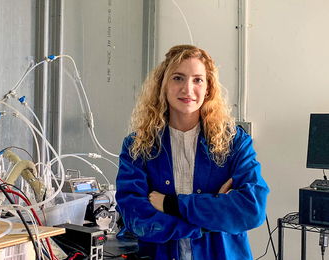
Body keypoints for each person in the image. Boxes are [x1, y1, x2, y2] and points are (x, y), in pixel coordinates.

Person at [115, 45, 269, 260]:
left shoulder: (234, 142)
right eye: (178, 78)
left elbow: (252, 209)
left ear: (208, 88)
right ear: (163, 85)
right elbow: (136, 218)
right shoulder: (138, 145)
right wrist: (209, 218)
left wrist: (172, 205)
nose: (188, 89)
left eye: (197, 79)